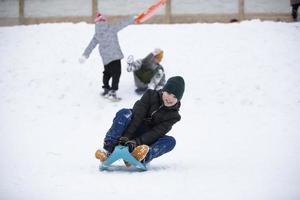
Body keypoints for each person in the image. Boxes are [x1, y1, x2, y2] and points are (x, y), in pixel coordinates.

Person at [95, 76, 185, 165]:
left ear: (178, 99)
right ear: (163, 90)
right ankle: (107, 149)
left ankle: (141, 157)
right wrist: (127, 137)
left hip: (144, 141)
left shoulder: (173, 116)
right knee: (125, 113)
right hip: (130, 129)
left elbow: (156, 132)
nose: (169, 98)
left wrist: (136, 142)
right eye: (168, 93)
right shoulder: (150, 95)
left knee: (170, 141)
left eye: (174, 96)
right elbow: (138, 115)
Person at [79, 12, 135, 101]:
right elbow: (122, 24)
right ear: (105, 21)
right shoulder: (111, 28)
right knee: (116, 73)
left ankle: (106, 88)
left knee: (107, 72)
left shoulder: (97, 34)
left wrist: (85, 55)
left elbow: (91, 45)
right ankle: (113, 92)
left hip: (106, 58)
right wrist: (132, 19)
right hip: (115, 56)